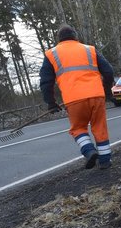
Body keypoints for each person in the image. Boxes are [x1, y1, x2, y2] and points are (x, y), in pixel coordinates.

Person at [39, 24, 115, 169]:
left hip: (74, 99)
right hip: (96, 95)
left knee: (78, 128)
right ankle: (105, 162)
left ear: (59, 39)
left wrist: (51, 102)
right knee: (100, 128)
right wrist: (106, 91)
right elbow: (109, 71)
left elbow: (45, 81)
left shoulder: (51, 54)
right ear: (75, 36)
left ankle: (89, 151)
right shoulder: (89, 49)